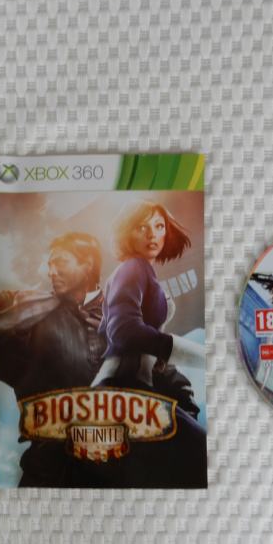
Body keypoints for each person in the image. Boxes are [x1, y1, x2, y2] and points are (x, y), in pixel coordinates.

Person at [87, 201, 207, 488]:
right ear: (128, 233)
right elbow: (124, 331)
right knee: (199, 455)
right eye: (142, 227)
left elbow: (115, 333)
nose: (152, 234)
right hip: (123, 391)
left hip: (133, 390)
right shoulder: (133, 268)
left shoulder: (142, 272)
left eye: (159, 226)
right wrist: (197, 355)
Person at [0, 232, 106, 486]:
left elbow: (158, 371)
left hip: (110, 469)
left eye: (61, 262)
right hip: (48, 469)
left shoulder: (120, 316)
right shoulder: (35, 308)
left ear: (88, 264)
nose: (51, 272)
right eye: (50, 265)